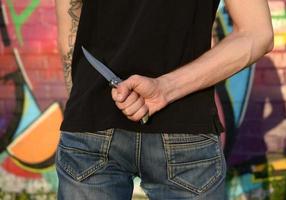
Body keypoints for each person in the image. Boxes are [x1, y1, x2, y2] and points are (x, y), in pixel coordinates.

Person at [54, 0, 274, 199]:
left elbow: (70, 24)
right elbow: (256, 33)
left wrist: (82, 106)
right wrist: (166, 88)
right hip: (186, 129)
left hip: (91, 120)